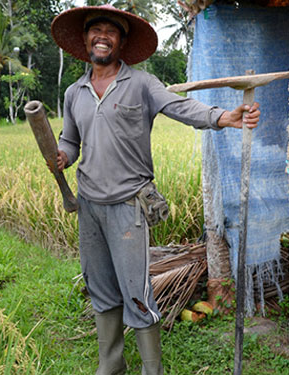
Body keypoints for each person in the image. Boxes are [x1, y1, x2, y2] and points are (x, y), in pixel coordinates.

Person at [50, 4, 260, 375]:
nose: (102, 36)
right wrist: (62, 157)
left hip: (128, 206)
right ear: (85, 40)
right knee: (100, 287)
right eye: (95, 30)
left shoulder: (143, 84)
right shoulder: (74, 92)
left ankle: (152, 371)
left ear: (122, 41)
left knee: (136, 291)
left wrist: (223, 117)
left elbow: (180, 107)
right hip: (89, 206)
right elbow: (70, 140)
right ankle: (111, 364)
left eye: (111, 31)